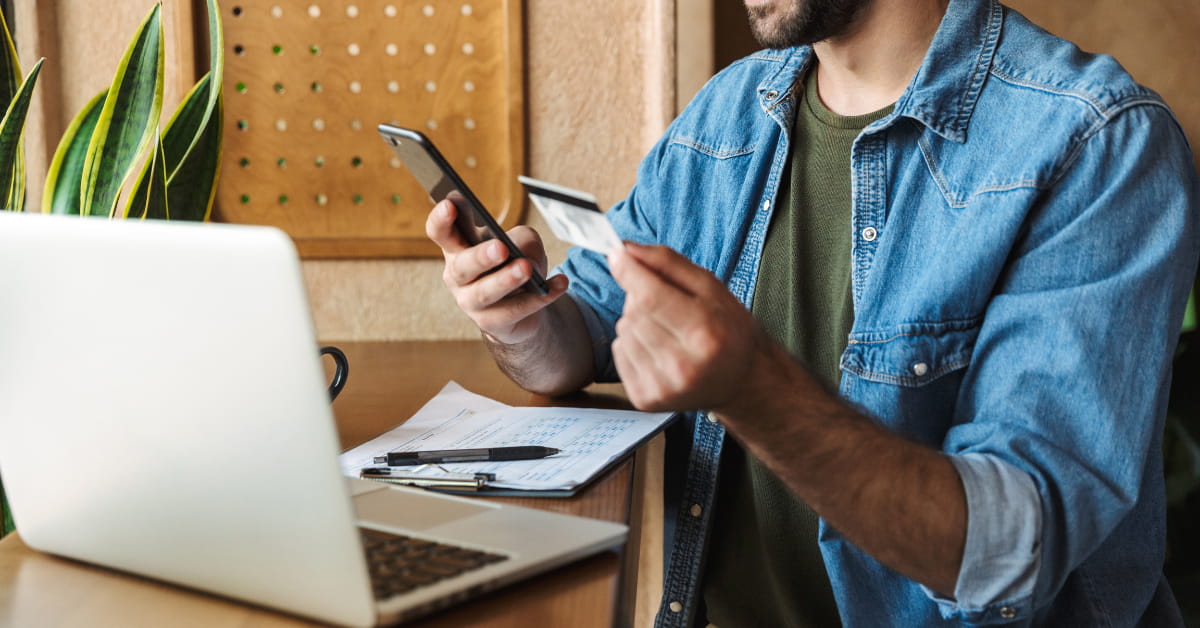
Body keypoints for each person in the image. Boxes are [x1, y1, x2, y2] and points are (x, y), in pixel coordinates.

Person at [426, 0, 1200, 624]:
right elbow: (585, 332)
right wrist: (520, 318)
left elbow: (1014, 549)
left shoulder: (1100, 141)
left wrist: (753, 388)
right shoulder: (730, 110)